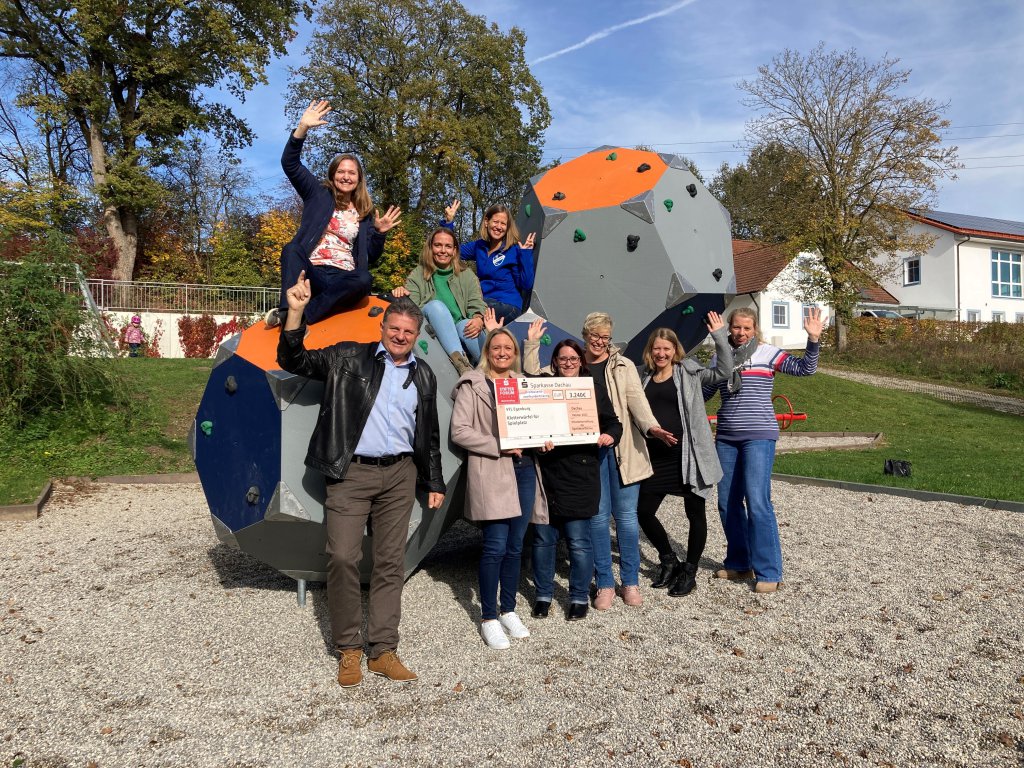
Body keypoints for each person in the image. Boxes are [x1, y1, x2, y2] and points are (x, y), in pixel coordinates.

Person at [277, 271, 445, 687]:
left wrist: (435, 482)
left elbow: (430, 433)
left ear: (417, 334)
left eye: (408, 331)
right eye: (394, 328)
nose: (401, 336)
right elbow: (294, 361)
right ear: (382, 327)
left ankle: (383, 649)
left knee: (391, 562)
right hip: (350, 473)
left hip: (400, 474)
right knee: (343, 557)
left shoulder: (423, 375)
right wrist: (295, 313)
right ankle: (349, 649)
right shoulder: (348, 357)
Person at [705, 306, 825, 594]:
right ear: (728, 329)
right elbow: (705, 394)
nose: (741, 333)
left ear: (754, 329)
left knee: (758, 502)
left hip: (759, 436)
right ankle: (739, 561)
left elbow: (805, 369)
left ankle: (769, 570)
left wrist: (813, 339)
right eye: (736, 327)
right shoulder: (720, 355)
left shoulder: (768, 353)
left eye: (747, 328)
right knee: (727, 503)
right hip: (727, 437)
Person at [450, 323, 548, 650]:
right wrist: (497, 445)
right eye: (496, 348)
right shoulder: (473, 385)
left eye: (508, 348)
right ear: (487, 352)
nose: (503, 353)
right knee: (495, 545)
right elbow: (460, 431)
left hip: (524, 471)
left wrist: (544, 440)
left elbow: (536, 425)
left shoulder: (522, 384)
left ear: (515, 353)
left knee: (516, 546)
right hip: (493, 468)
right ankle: (488, 617)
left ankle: (508, 609)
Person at [266, 100, 402, 327]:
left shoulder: (364, 212)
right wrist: (302, 128)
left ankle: (304, 316)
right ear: (333, 175)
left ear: (359, 179)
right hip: (313, 273)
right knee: (291, 249)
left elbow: (371, 256)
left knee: (364, 278)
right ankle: (287, 310)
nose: (346, 176)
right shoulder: (317, 193)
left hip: (342, 278)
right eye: (341, 171)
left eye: (352, 173)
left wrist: (379, 233)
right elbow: (290, 164)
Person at [523, 335, 622, 621]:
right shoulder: (542, 388)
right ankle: (543, 595)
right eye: (563, 358)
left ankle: (578, 596)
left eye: (573, 359)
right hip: (547, 472)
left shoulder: (593, 389)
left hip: (581, 473)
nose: (568, 363)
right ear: (554, 362)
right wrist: (537, 441)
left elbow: (613, 422)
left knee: (579, 541)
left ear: (581, 362)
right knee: (543, 539)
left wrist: (609, 435)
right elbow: (528, 418)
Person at [581, 312, 676, 610]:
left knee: (626, 518)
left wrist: (651, 427)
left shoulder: (622, 365)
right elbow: (539, 381)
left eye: (605, 337)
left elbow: (637, 401)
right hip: (588, 451)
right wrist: (531, 345)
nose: (599, 341)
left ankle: (630, 582)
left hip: (624, 450)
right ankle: (606, 584)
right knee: (597, 518)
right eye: (594, 335)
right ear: (585, 335)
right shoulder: (573, 363)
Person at [637, 316, 733, 597]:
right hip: (655, 456)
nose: (661, 353)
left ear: (675, 350)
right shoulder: (644, 377)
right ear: (650, 351)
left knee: (695, 514)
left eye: (666, 348)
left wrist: (720, 336)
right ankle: (669, 560)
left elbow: (725, 371)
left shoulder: (689, 372)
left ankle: (689, 571)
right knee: (642, 511)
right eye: (657, 348)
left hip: (687, 457)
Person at [390, 227, 487, 375]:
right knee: (436, 306)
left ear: (454, 250)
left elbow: (476, 302)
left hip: (460, 327)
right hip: (431, 329)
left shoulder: (466, 274)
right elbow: (412, 307)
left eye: (448, 246)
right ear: (430, 248)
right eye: (438, 245)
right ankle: (462, 364)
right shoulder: (418, 274)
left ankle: (492, 368)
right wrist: (401, 294)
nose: (443, 250)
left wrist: (478, 318)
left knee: (466, 325)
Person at [442, 199, 535, 326]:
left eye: (503, 223)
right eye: (495, 221)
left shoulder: (513, 250)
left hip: (507, 305)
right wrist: (448, 223)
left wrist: (526, 253)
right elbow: (452, 252)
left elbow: (526, 284)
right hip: (483, 301)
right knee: (457, 303)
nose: (498, 226)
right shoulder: (479, 246)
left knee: (467, 306)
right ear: (486, 222)